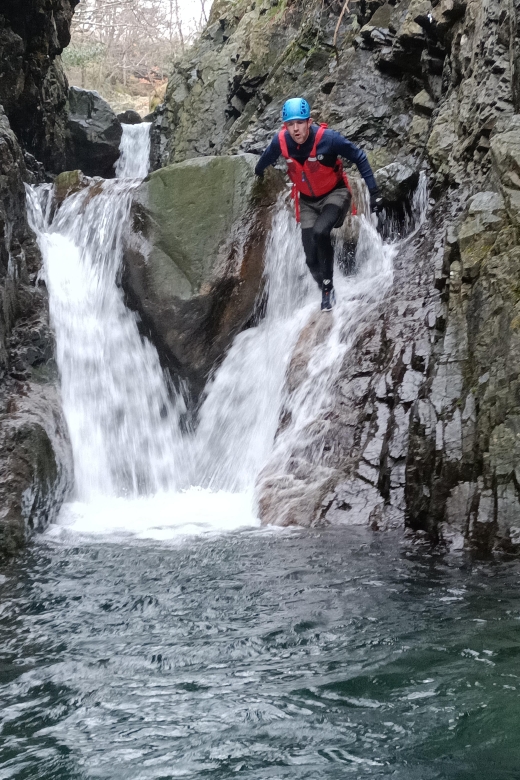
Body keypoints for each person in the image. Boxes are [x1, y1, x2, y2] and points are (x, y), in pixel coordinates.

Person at [254, 97, 383, 311]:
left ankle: (327, 287)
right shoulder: (281, 142)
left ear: (309, 121)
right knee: (311, 259)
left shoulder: (328, 139)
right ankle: (326, 286)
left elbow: (359, 156)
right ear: (285, 126)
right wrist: (257, 173)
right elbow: (265, 160)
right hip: (307, 201)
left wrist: (374, 192)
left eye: (300, 123)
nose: (295, 129)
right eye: (290, 124)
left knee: (321, 231)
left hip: (336, 194)